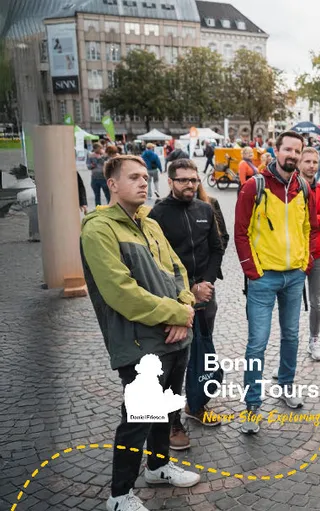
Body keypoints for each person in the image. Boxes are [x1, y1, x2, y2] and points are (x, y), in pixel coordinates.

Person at [80, 155, 201, 511]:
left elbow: (176, 269)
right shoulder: (99, 229)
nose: (143, 183)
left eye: (146, 177)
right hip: (137, 340)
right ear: (112, 184)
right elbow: (121, 292)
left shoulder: (148, 224)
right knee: (138, 419)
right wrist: (177, 312)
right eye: (133, 177)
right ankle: (119, 495)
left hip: (174, 334)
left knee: (164, 408)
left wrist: (185, 307)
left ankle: (159, 467)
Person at [234, 131, 312, 434]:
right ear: (276, 151)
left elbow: (308, 228)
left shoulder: (303, 187)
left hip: (294, 277)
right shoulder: (255, 186)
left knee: (291, 336)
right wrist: (252, 270)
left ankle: (286, 385)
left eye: (297, 150)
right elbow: (241, 232)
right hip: (263, 278)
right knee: (257, 344)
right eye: (287, 149)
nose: (292, 155)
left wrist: (306, 263)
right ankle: (252, 406)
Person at [149, 158, 226, 443]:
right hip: (174, 300)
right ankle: (172, 422)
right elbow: (156, 262)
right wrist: (187, 290)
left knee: (201, 354)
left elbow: (216, 249)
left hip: (205, 297)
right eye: (183, 180)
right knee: (174, 363)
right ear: (170, 182)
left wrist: (205, 283)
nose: (189, 185)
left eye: (193, 180)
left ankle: (196, 404)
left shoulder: (205, 209)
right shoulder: (156, 214)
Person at [299, 148, 320, 361]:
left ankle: (314, 339)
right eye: (308, 161)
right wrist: (313, 220)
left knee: (316, 301)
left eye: (315, 162)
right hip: (293, 252)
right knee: (291, 302)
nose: (312, 165)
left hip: (318, 252)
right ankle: (288, 345)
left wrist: (303, 220)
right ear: (300, 163)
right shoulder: (292, 189)